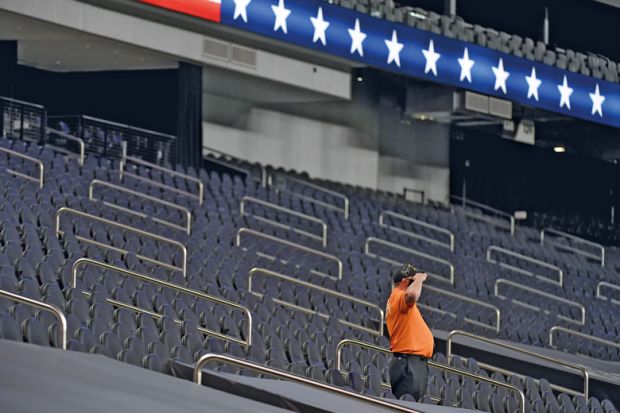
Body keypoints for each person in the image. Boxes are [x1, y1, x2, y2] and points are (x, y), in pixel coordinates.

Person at [386, 264, 434, 400]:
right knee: (407, 404)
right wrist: (419, 279)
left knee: (410, 403)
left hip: (411, 362)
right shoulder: (399, 295)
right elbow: (413, 294)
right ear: (405, 281)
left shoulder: (397, 298)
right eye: (413, 279)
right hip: (408, 363)